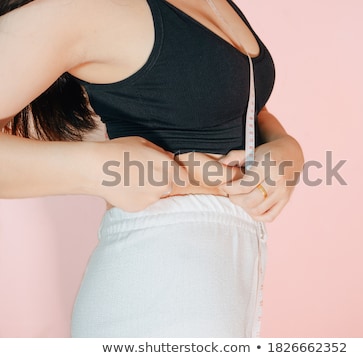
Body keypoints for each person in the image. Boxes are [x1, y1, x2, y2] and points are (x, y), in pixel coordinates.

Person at [0, 0, 304, 337]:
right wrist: (99, 169)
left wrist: (284, 145)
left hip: (229, 288)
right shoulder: (81, 9)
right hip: (156, 296)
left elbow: (231, 101)